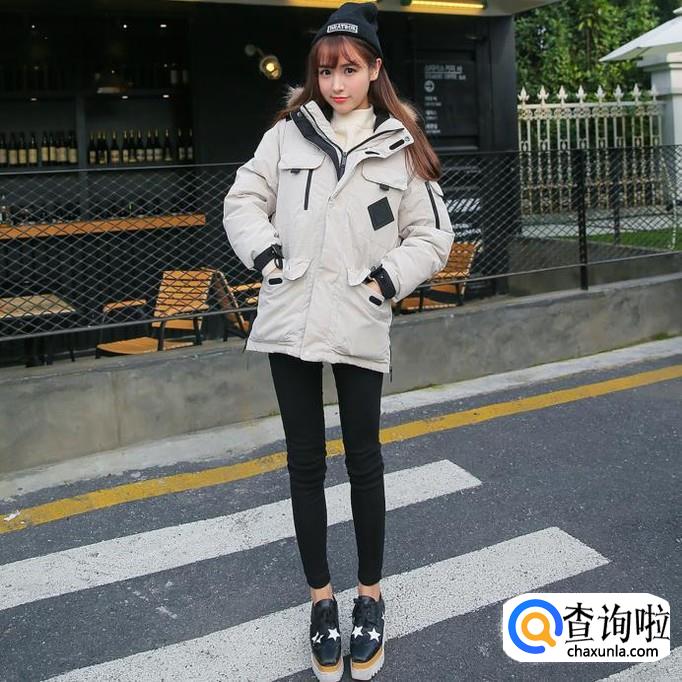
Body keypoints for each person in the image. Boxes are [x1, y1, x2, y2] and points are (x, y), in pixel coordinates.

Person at [223, 3, 454, 679]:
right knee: (304, 464)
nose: (336, 83)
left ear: (375, 69)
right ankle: (321, 601)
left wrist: (386, 279)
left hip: (358, 315)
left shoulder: (400, 144)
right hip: (290, 319)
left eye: (349, 69)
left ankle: (369, 597)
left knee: (363, 461)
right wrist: (268, 255)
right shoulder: (286, 135)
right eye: (326, 71)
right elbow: (242, 200)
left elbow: (432, 235)